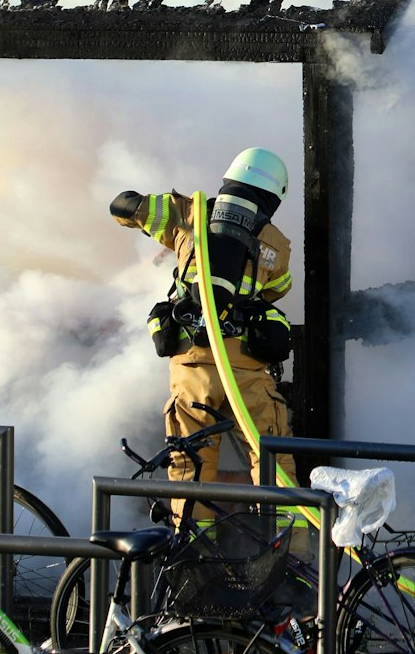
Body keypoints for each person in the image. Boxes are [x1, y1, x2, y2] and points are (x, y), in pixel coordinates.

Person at [111, 148, 298, 494]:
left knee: (189, 464)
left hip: (192, 364)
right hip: (245, 366)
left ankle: (195, 529)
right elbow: (278, 288)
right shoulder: (277, 243)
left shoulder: (186, 213)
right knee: (272, 460)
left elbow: (121, 206)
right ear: (275, 194)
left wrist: (178, 240)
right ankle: (291, 528)